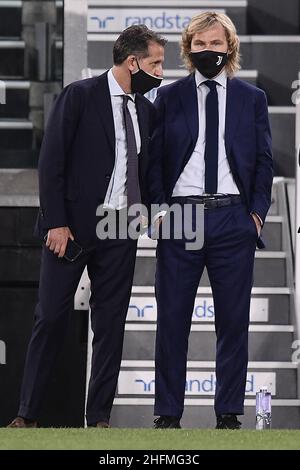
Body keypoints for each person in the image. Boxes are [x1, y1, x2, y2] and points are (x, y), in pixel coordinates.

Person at [8, 25, 165, 428]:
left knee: (110, 326)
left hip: (120, 229)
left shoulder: (147, 110)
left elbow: (145, 170)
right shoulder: (80, 95)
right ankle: (27, 417)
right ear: (133, 62)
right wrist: (57, 223)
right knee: (51, 317)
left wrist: (148, 210)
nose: (161, 72)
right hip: (72, 230)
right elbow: (51, 162)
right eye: (155, 64)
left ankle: (98, 421)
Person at [148, 12, 273, 429]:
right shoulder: (167, 97)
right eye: (199, 45)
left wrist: (255, 215)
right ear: (188, 49)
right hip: (180, 217)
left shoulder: (252, 99)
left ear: (229, 48)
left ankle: (228, 413)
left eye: (214, 44)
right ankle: (167, 413)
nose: (207, 51)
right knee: (171, 322)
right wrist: (159, 212)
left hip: (233, 218)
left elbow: (262, 161)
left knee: (234, 321)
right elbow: (153, 162)